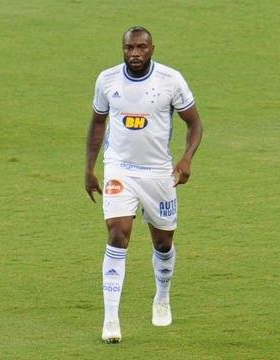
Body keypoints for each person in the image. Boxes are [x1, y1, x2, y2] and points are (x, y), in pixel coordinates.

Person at [85, 26, 204, 341]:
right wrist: (89, 169)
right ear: (122, 48)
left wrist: (186, 158)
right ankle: (111, 319)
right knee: (117, 234)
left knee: (163, 243)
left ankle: (162, 296)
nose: (134, 54)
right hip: (119, 169)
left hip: (158, 173)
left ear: (152, 48)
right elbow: (98, 123)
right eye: (129, 48)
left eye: (141, 47)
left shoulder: (170, 80)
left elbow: (194, 123)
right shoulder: (107, 80)